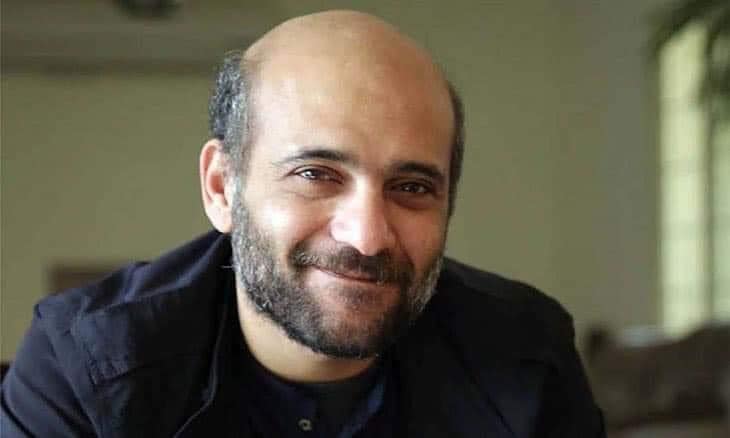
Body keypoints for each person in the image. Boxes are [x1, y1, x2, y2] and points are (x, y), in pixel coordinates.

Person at [0, 10, 605, 437]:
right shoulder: (86, 368)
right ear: (222, 188)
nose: (367, 236)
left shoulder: (527, 357)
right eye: (316, 174)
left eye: (412, 187)